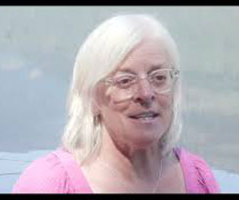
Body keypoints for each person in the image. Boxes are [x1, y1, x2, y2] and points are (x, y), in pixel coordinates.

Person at [12, 14, 220, 193]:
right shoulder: (49, 184)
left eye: (159, 77)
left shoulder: (197, 178)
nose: (146, 94)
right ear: (91, 96)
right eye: (125, 81)